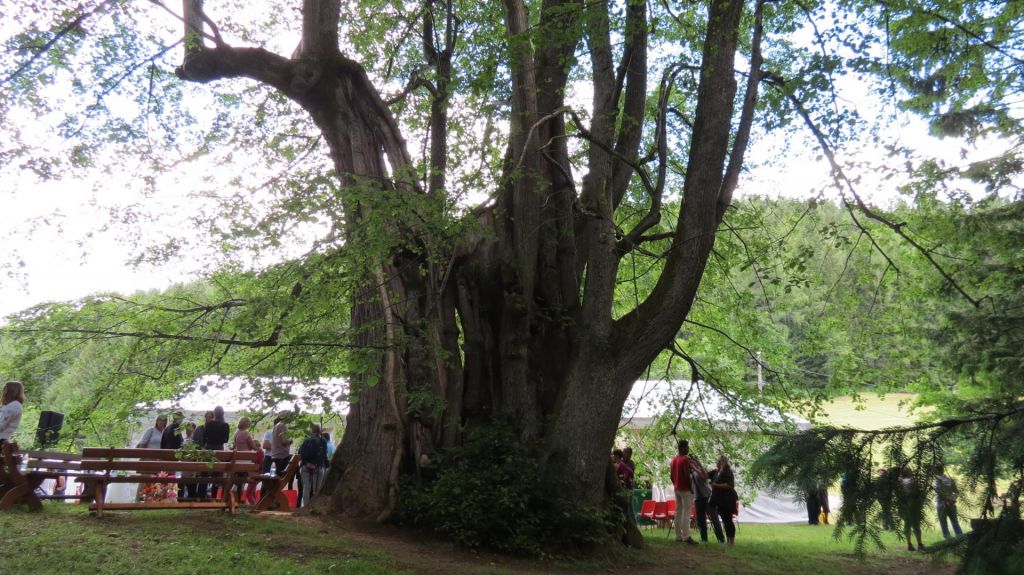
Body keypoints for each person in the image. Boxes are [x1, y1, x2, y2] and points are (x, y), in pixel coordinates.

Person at [669, 439, 699, 545]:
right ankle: (686, 537)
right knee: (686, 513)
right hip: (685, 489)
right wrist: (690, 488)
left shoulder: (674, 459)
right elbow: (687, 475)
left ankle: (678, 536)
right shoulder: (685, 460)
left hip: (677, 489)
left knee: (678, 512)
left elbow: (671, 476)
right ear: (682, 447)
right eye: (687, 447)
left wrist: (676, 484)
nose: (688, 449)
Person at [691, 454, 724, 543]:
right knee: (700, 520)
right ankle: (704, 539)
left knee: (714, 518)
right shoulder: (690, 472)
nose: (692, 462)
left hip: (707, 497)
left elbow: (704, 476)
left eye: (693, 460)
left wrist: (695, 466)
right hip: (698, 498)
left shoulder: (702, 469)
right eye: (691, 461)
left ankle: (721, 539)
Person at [297, 424, 329, 507]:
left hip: (305, 466)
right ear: (320, 431)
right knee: (317, 489)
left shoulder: (306, 440)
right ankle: (314, 507)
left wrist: (307, 463)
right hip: (318, 466)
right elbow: (324, 455)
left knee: (306, 488)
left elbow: (300, 453)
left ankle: (306, 506)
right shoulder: (323, 441)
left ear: (311, 431)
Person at [711, 454, 739, 545]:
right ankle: (728, 540)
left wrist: (716, 485)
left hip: (728, 499)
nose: (716, 463)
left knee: (728, 520)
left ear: (722, 462)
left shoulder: (727, 471)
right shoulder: (719, 472)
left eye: (718, 461)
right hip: (721, 499)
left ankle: (732, 541)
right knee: (725, 520)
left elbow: (729, 485)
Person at [233, 417, 261, 504]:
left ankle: (237, 498)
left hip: (238, 460)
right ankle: (246, 498)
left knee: (238, 481)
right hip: (246, 460)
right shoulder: (245, 433)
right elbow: (254, 447)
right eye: (249, 422)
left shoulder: (236, 433)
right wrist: (259, 449)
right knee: (251, 479)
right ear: (245, 423)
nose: (250, 424)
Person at [897, 467, 926, 551]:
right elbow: (918, 493)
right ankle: (920, 544)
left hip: (904, 507)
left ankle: (909, 544)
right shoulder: (913, 481)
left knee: (907, 525)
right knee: (916, 525)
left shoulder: (899, 482)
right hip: (914, 507)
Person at [934, 464, 964, 540]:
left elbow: (938, 492)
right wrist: (952, 499)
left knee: (943, 523)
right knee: (955, 522)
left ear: (936, 471)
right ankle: (960, 537)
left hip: (941, 504)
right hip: (952, 504)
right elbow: (957, 492)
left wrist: (947, 500)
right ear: (943, 469)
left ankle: (948, 538)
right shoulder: (950, 479)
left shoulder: (936, 481)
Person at [0, 381, 26, 445]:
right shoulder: (11, 405)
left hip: (2, 439)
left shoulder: (14, 406)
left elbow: (2, 424)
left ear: (10, 391)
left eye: (5, 388)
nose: (3, 391)